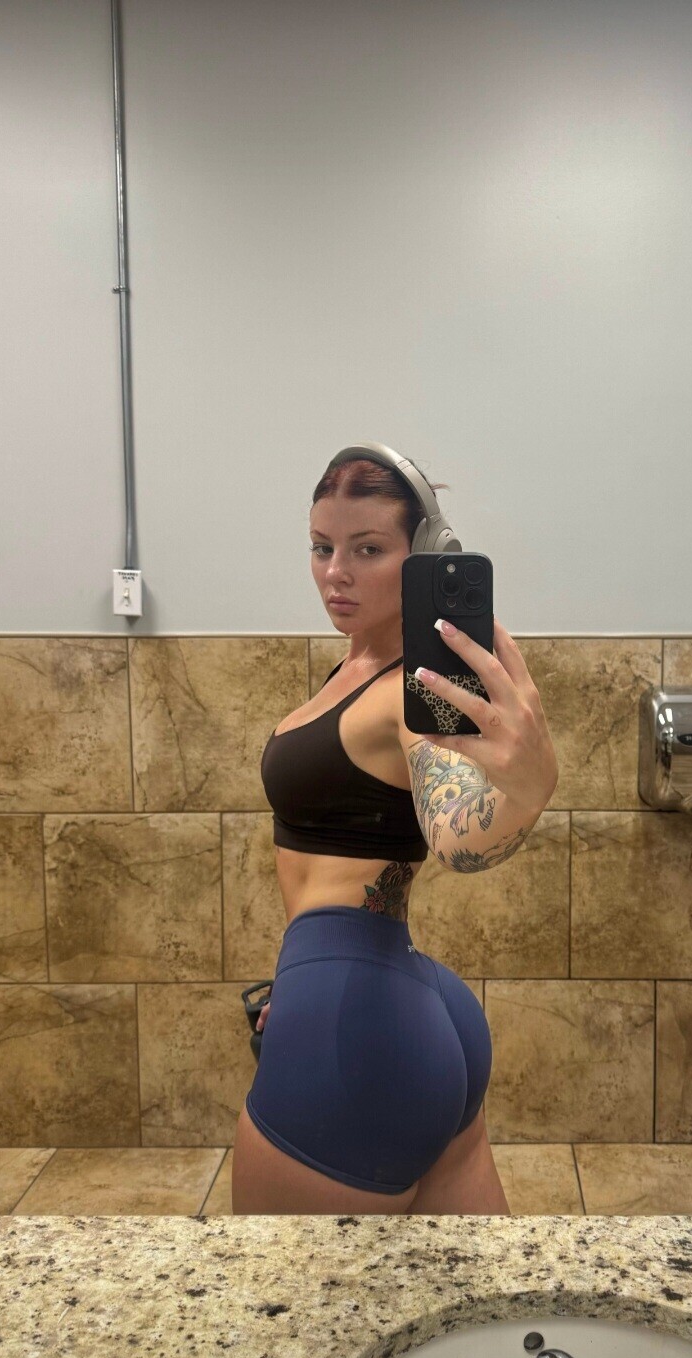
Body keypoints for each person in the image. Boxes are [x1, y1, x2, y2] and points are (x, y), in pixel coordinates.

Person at [231, 451, 559, 1215]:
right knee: (482, 1292)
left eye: (368, 549)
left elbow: (456, 832)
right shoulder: (353, 672)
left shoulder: (412, 692)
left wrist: (526, 787)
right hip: (399, 1005)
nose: (335, 572)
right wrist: (304, 985)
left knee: (279, 1298)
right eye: (322, 547)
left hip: (356, 1031)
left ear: (426, 558)